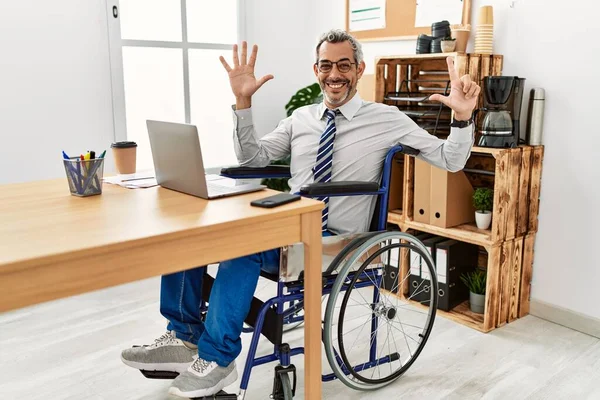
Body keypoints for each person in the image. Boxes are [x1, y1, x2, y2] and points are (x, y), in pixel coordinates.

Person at [120, 29, 479, 398]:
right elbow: (252, 160)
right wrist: (243, 103)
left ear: (358, 69)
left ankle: (218, 359)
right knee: (193, 233)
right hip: (288, 228)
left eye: (343, 65)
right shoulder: (302, 118)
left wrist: (463, 119)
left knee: (244, 245)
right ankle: (183, 336)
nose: (334, 74)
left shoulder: (387, 119)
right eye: (326, 65)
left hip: (336, 240)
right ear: (316, 69)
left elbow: (451, 159)